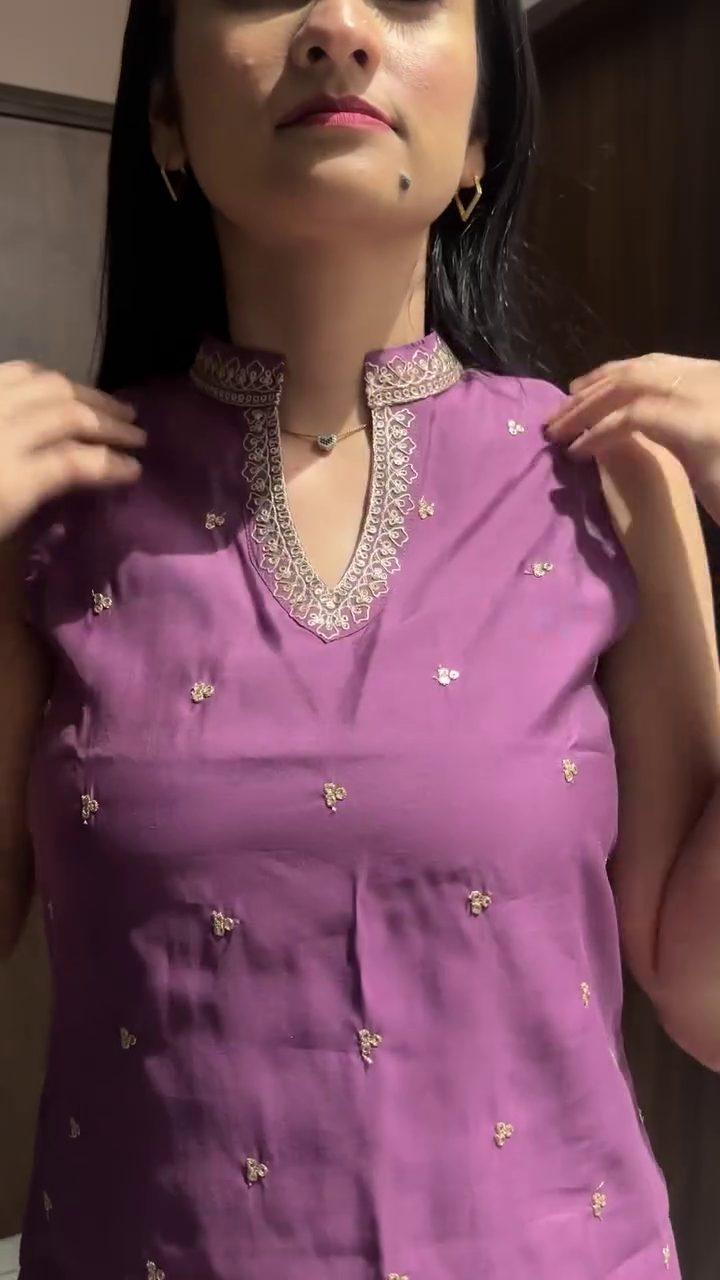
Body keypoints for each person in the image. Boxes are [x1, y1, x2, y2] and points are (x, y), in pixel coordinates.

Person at [1, 0, 720, 1274]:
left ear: (484, 134)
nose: (337, 25)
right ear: (165, 115)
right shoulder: (51, 501)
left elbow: (708, 992)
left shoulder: (612, 478)